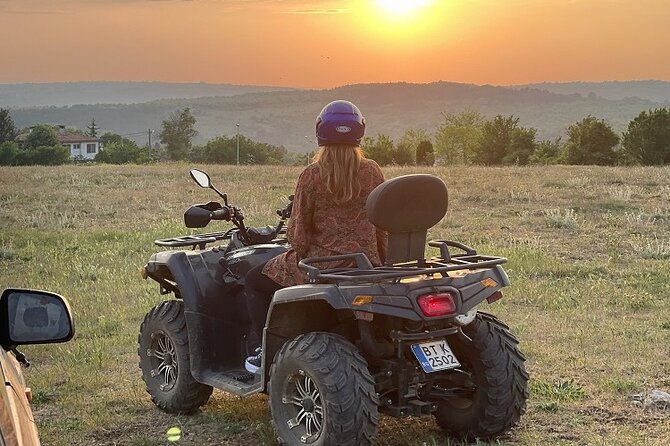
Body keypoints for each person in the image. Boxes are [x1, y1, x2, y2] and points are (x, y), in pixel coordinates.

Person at [244, 100, 387, 373]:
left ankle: (262, 351)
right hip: (366, 265)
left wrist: (297, 248)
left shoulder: (311, 175)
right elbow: (382, 223)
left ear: (320, 131)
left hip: (322, 266)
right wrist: (380, 258)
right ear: (360, 131)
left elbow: (298, 235)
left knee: (254, 281)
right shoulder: (372, 170)